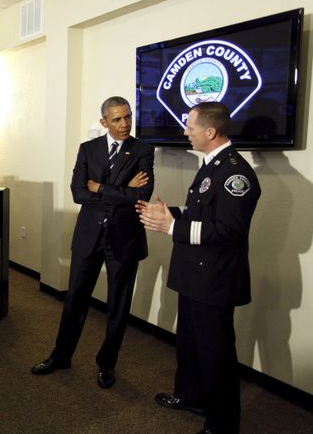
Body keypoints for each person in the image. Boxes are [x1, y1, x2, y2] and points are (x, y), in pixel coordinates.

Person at [137, 102, 260, 433]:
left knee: (214, 352)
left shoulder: (236, 173)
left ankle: (221, 423)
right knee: (190, 342)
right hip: (196, 274)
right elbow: (203, 213)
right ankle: (191, 395)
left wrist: (172, 227)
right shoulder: (211, 165)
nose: (185, 132)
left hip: (215, 279)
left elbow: (231, 230)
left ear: (210, 131)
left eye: (190, 127)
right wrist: (170, 213)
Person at [31, 96, 154, 389]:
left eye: (127, 117)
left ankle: (107, 364)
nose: (124, 124)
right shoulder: (88, 149)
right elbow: (77, 193)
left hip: (124, 240)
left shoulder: (143, 150)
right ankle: (61, 356)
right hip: (89, 236)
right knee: (75, 299)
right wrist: (122, 191)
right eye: (117, 119)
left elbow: (143, 195)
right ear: (104, 122)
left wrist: (100, 187)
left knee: (118, 306)